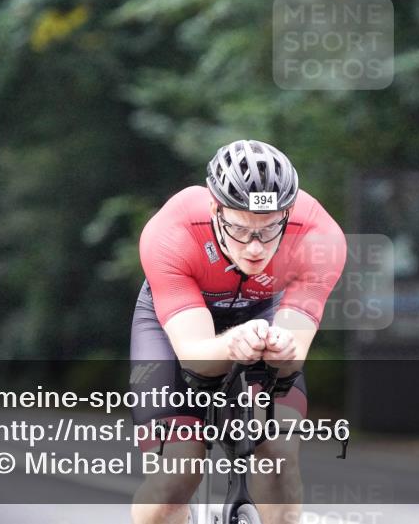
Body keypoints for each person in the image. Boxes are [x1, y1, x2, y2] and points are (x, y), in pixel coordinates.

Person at [129, 139, 347, 524]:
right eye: (240, 229)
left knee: (278, 458)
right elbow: (195, 358)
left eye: (269, 230)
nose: (255, 247)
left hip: (266, 311)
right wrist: (232, 341)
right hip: (177, 328)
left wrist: (281, 347)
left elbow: (291, 360)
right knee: (174, 479)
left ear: (288, 213)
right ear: (215, 209)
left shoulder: (319, 237)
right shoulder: (172, 230)